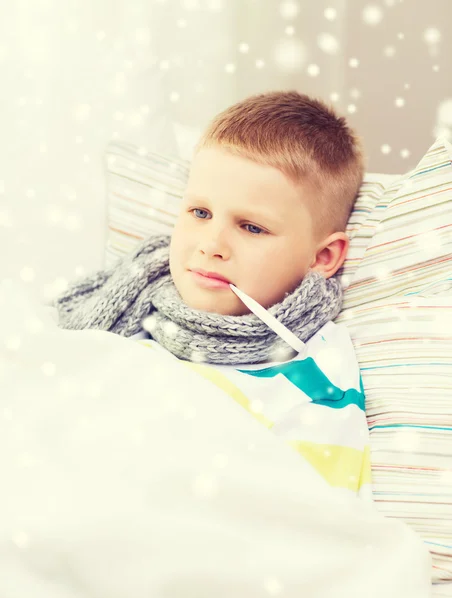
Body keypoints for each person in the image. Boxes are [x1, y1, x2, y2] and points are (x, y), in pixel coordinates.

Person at [54, 90, 370, 498]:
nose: (210, 244)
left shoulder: (318, 376)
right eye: (200, 213)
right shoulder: (130, 307)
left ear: (323, 256)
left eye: (252, 227)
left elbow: (311, 520)